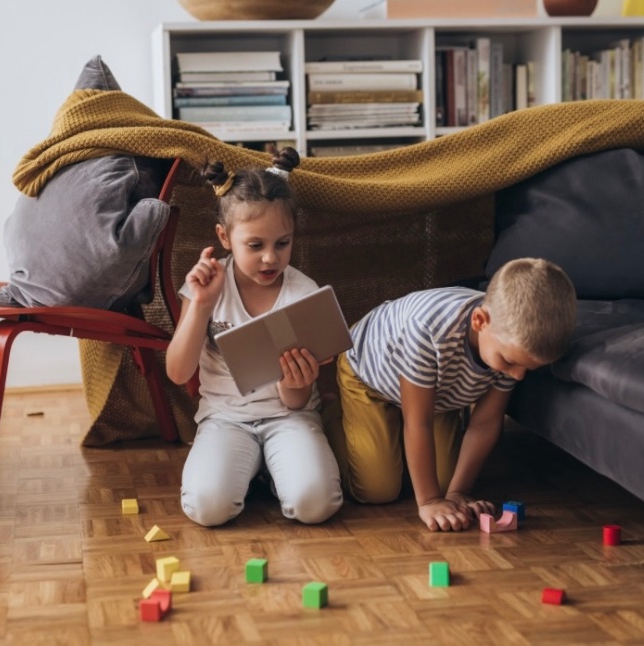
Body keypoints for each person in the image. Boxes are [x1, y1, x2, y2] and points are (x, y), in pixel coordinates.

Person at [326, 257, 577, 532]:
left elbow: (485, 422)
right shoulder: (427, 330)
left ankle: (400, 446)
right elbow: (417, 422)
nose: (517, 375)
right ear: (480, 321)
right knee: (378, 490)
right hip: (369, 376)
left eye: (529, 368)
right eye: (509, 362)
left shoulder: (508, 346)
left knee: (446, 483)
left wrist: (457, 494)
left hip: (439, 394)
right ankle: (327, 415)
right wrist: (430, 501)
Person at [165, 147, 343, 527]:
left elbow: (295, 403)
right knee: (207, 508)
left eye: (283, 243)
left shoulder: (303, 294)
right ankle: (252, 469)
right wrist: (200, 305)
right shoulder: (206, 286)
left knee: (316, 505)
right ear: (224, 237)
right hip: (224, 418)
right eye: (255, 245)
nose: (270, 259)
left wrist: (298, 383)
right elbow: (179, 372)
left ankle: (271, 472)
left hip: (289, 418)